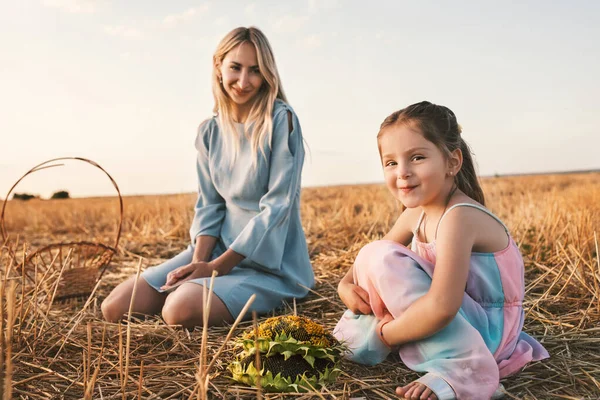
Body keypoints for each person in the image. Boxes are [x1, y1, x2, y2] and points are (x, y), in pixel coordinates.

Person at [101, 26, 314, 328]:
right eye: (235, 68)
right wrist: (198, 263)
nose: (243, 81)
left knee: (177, 311)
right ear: (218, 66)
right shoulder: (209, 132)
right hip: (213, 255)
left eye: (255, 71)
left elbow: (277, 207)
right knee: (116, 307)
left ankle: (217, 291)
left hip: (269, 265)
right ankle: (200, 286)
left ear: (267, 74)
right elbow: (210, 205)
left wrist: (217, 268)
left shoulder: (281, 120)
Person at [334, 101, 549, 400]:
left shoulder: (459, 216)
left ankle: (464, 369)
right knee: (375, 254)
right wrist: (345, 286)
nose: (403, 173)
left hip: (486, 334)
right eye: (391, 162)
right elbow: (367, 262)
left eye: (417, 157)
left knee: (382, 264)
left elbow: (442, 307)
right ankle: (410, 337)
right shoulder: (417, 213)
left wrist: (387, 335)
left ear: (452, 162)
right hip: (456, 318)